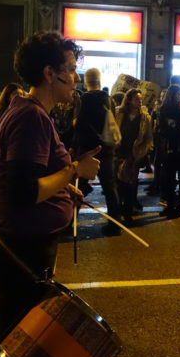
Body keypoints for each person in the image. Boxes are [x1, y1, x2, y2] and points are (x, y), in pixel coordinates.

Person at [0, 31, 100, 357]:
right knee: (17, 342)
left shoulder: (30, 111)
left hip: (21, 241)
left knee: (19, 337)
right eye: (71, 69)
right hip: (21, 245)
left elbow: (30, 178)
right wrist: (74, 170)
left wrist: (62, 187)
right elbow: (23, 192)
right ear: (50, 73)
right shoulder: (31, 117)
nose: (76, 78)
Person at [74, 68, 121, 234]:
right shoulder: (108, 99)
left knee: (79, 185)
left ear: (86, 81)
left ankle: (70, 222)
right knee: (109, 187)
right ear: (99, 80)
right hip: (107, 149)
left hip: (88, 150)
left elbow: (79, 124)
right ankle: (115, 224)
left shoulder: (85, 98)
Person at [114, 89, 153, 222]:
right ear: (129, 100)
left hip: (133, 155)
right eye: (137, 99)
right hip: (119, 153)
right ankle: (118, 210)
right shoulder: (119, 113)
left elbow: (148, 138)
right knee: (118, 184)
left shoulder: (145, 117)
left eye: (140, 99)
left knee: (131, 184)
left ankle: (128, 212)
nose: (140, 101)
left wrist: (141, 152)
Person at [158, 84, 180, 218]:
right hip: (169, 148)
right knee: (169, 180)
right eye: (178, 94)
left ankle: (179, 207)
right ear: (171, 95)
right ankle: (170, 206)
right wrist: (177, 127)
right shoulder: (164, 110)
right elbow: (162, 129)